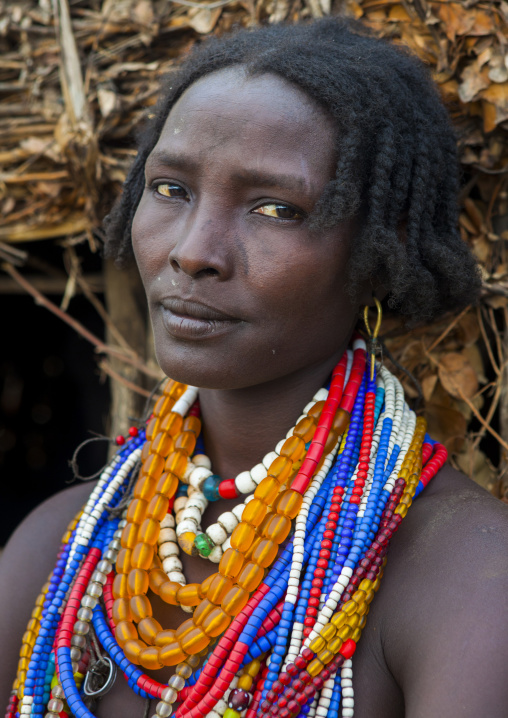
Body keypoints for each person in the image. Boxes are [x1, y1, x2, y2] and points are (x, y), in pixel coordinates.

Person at [2, 17, 508, 718]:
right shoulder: (58, 551)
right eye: (171, 190)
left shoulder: (465, 577)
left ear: (376, 254)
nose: (193, 251)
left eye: (275, 208)